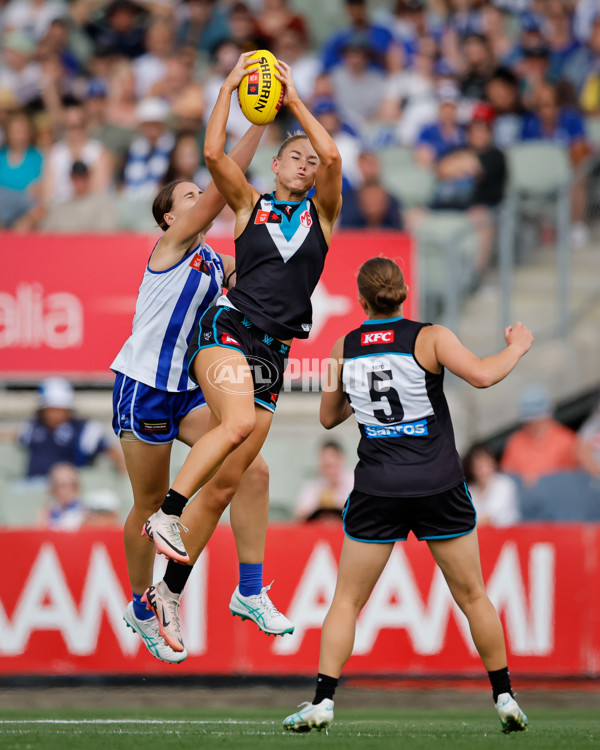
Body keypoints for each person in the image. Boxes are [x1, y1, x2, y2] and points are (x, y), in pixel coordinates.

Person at [141, 52, 342, 654]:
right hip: (227, 328)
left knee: (235, 481)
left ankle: (208, 591)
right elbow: (211, 156)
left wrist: (295, 101)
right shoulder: (249, 206)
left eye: (310, 160)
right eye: (295, 155)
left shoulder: (324, 215)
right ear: (275, 162)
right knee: (239, 423)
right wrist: (230, 87)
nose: (307, 163)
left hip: (273, 353)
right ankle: (167, 511)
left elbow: (333, 156)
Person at [282, 257, 532, 734]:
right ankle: (503, 695)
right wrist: (517, 348)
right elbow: (482, 375)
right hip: (438, 482)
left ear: (361, 300)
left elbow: (328, 418)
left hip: (378, 486)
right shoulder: (430, 337)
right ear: (404, 291)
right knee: (474, 596)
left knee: (346, 602)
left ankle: (322, 701)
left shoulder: (344, 347)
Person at [112, 122, 293, 665]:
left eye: (199, 192)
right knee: (148, 501)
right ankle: (142, 604)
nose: (200, 196)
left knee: (252, 469)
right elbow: (222, 188)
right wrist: (257, 122)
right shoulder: (170, 244)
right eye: (188, 196)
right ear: (170, 216)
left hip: (187, 390)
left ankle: (252, 588)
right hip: (144, 386)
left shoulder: (217, 262)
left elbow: (263, 269)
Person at [18, 377, 123, 480]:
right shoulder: (33, 427)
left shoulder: (85, 429)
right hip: (32, 487)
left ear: (68, 409)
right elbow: (13, 437)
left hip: (69, 490)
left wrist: (124, 475)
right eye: (50, 410)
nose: (53, 415)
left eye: (58, 409)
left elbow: (112, 451)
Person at [500, 385, 579, 486]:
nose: (531, 425)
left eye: (534, 420)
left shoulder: (566, 441)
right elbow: (507, 480)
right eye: (528, 421)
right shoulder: (516, 442)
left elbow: (574, 480)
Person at [462, 443, 520, 527]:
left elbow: (488, 518)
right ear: (471, 468)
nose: (483, 469)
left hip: (507, 535)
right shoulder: (470, 489)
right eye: (478, 465)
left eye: (486, 463)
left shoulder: (504, 484)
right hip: (481, 535)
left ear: (493, 463)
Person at [295, 441, 354, 522]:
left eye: (331, 465)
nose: (329, 471)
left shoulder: (356, 483)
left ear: (341, 459)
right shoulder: (314, 485)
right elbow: (300, 515)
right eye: (325, 466)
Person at [35, 462, 86, 531]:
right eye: (61, 485)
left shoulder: (85, 512)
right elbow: (39, 535)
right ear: (53, 488)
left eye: (71, 484)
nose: (66, 490)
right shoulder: (46, 512)